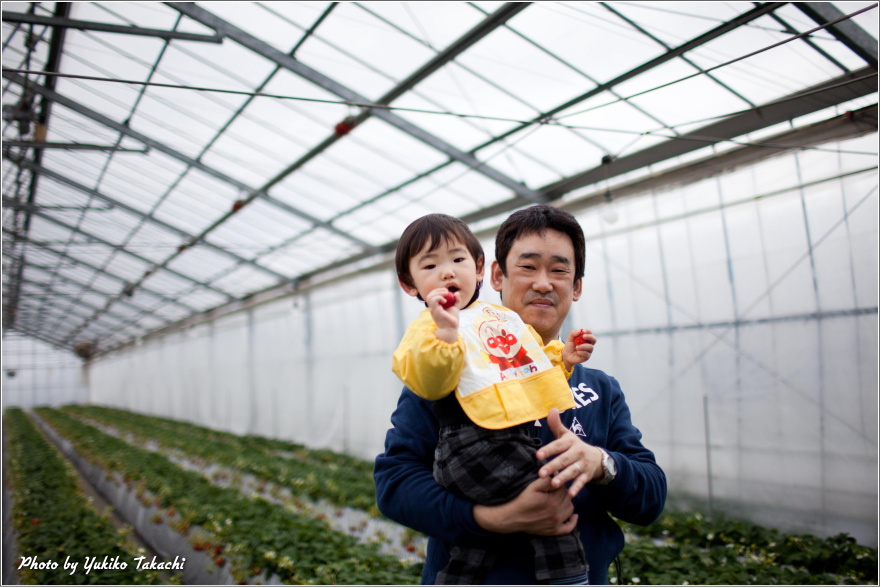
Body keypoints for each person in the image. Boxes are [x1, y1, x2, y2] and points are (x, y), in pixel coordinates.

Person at [375, 205, 667, 585]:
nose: (543, 283)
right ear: (496, 274)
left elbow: (650, 498)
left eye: (559, 270)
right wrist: (491, 519)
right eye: (528, 267)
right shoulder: (452, 368)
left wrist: (599, 464)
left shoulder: (600, 389)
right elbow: (395, 483)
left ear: (576, 287)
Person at [391, 213, 596, 584]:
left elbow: (525, 365)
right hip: (469, 446)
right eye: (430, 266)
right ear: (410, 284)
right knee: (550, 490)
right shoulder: (428, 330)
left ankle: (456, 577)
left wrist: (561, 360)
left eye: (457, 260)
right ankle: (569, 578)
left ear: (479, 269)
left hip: (507, 443)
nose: (447, 272)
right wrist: (445, 335)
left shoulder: (496, 318)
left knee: (477, 546)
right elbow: (430, 382)